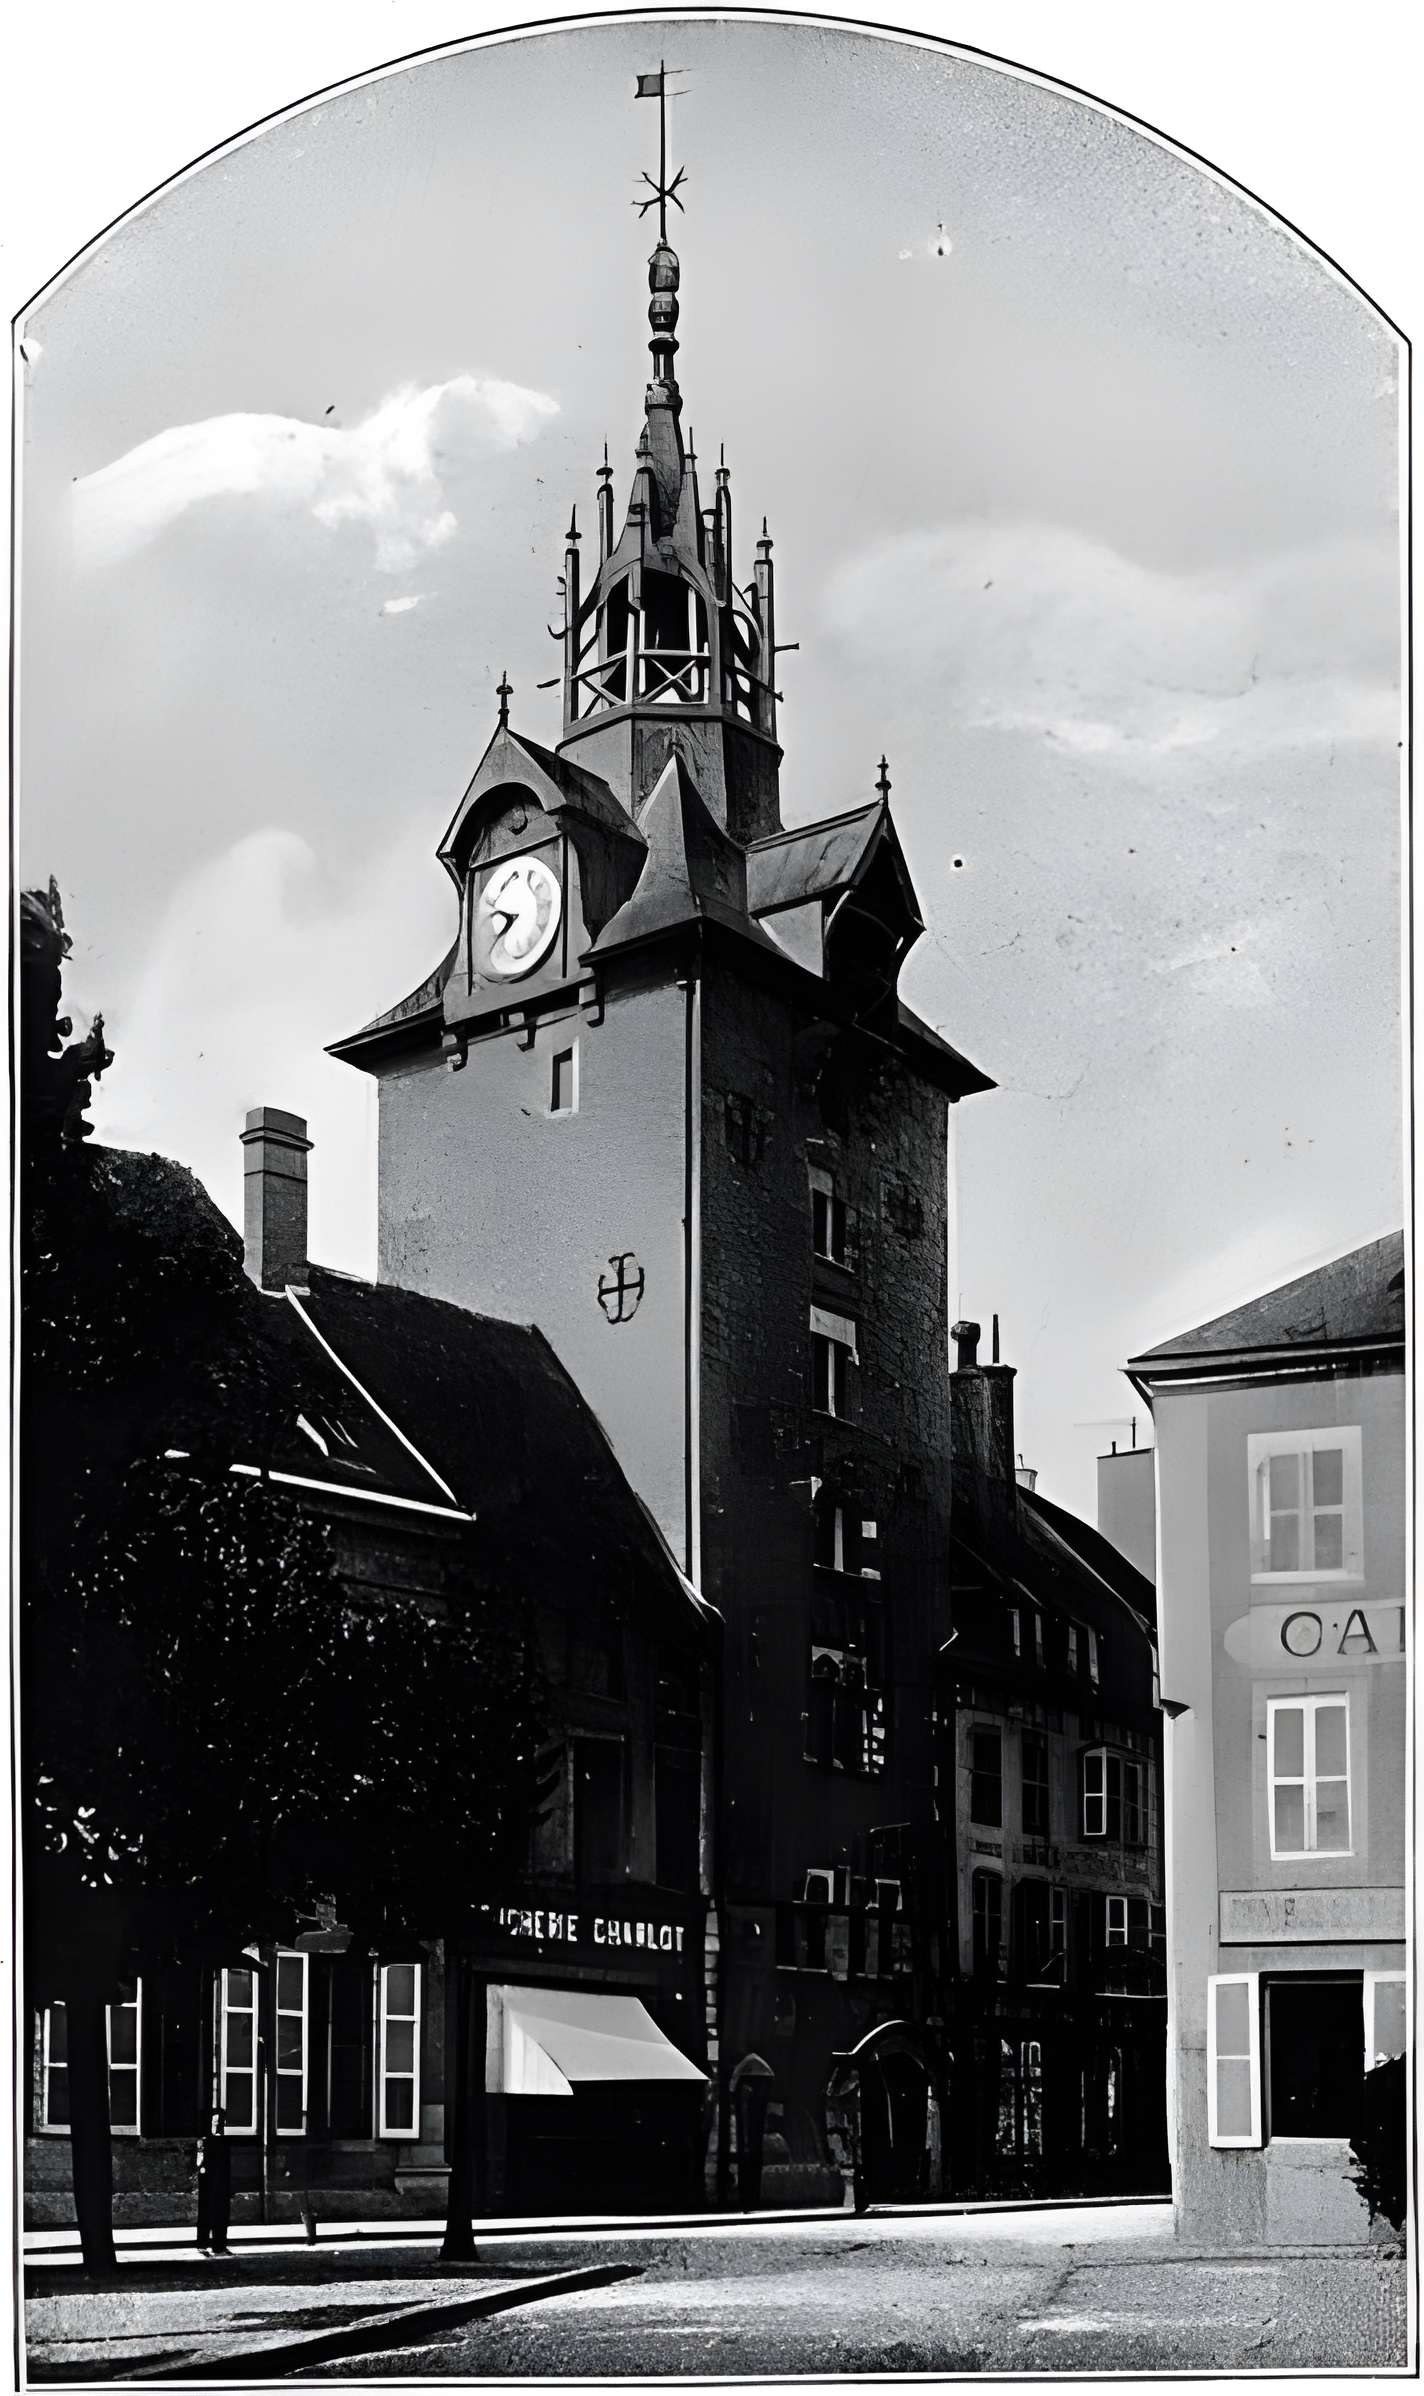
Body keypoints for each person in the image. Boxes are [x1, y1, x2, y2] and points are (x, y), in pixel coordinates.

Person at [195, 2107, 231, 2255]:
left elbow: (227, 2165)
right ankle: (202, 2244)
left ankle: (219, 2245)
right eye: (216, 2122)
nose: (218, 2125)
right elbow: (200, 2164)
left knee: (222, 2215)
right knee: (206, 2214)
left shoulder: (224, 2142)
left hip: (222, 2184)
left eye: (221, 2122)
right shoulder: (204, 2141)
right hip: (208, 2184)